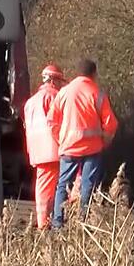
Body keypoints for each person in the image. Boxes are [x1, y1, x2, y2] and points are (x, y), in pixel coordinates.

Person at [48, 58, 119, 228]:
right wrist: (105, 141)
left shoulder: (64, 92)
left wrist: (60, 139)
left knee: (63, 184)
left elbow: (51, 120)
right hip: (92, 148)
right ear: (94, 74)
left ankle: (58, 221)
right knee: (88, 184)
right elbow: (111, 124)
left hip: (69, 147)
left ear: (77, 73)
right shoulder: (98, 93)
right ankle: (83, 220)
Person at [23, 64, 66, 230]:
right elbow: (59, 122)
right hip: (53, 149)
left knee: (42, 188)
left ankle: (43, 221)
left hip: (36, 151)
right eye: (60, 81)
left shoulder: (30, 102)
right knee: (59, 187)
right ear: (54, 80)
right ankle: (47, 223)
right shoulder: (55, 97)